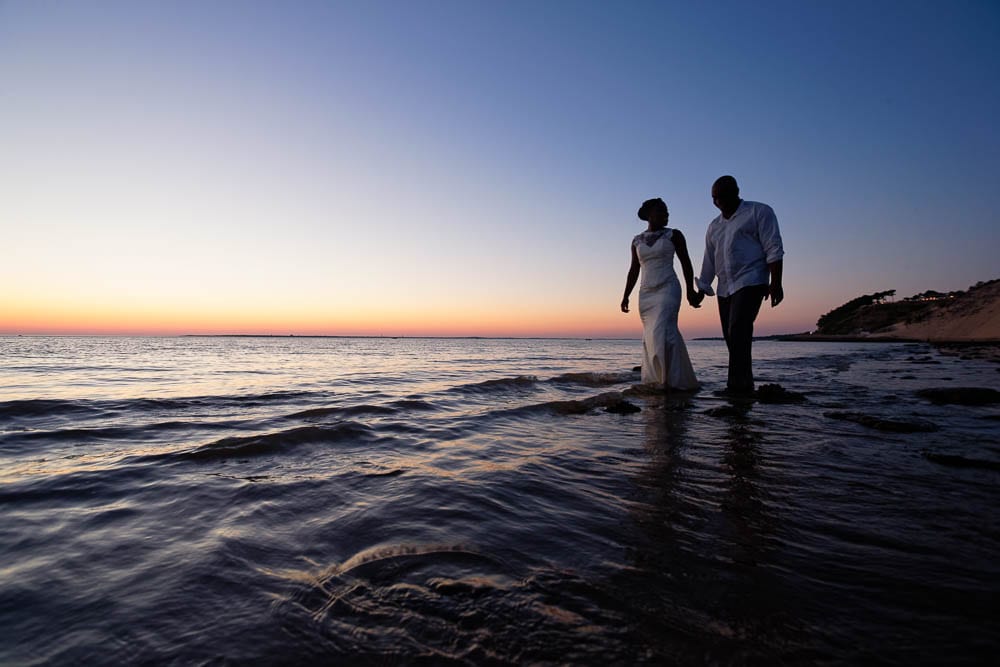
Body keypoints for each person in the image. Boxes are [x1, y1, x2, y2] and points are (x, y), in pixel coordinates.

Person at [692, 175, 784, 395]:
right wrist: (701, 291)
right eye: (714, 198)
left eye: (723, 196)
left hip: (751, 280)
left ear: (736, 192)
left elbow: (773, 247)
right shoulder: (714, 227)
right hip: (725, 287)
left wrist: (776, 283)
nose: (718, 202)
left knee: (739, 329)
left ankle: (737, 387)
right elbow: (709, 261)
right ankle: (745, 383)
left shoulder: (758, 212)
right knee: (730, 336)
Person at [621, 198, 700, 391]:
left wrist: (690, 290)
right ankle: (656, 381)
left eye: (667, 212)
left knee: (664, 330)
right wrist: (625, 295)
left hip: (668, 288)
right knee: (651, 335)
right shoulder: (636, 240)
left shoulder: (674, 235)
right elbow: (633, 270)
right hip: (646, 294)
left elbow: (686, 263)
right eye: (661, 211)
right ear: (649, 215)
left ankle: (672, 382)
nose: (666, 215)